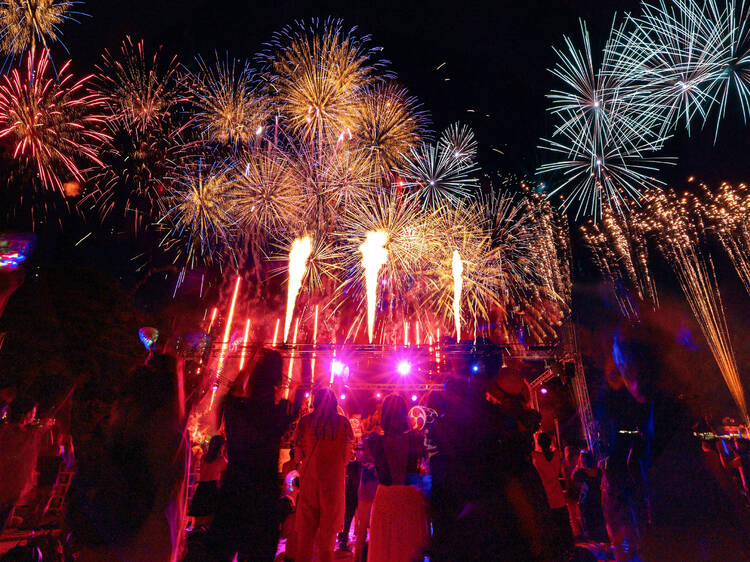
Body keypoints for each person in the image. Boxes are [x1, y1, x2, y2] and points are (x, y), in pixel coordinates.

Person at [66, 355, 189, 562]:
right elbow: (166, 499)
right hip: (140, 541)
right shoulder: (171, 438)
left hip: (104, 537)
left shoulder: (112, 431)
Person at [206, 349, 302, 561]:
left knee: (220, 553)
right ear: (277, 381)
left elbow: (234, 389)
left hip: (233, 492)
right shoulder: (279, 413)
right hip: (262, 500)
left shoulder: (236, 407)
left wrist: (250, 361)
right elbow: (298, 394)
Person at [366, 394, 429, 562]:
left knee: (385, 550)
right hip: (410, 497)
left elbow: (367, 463)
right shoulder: (417, 439)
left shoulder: (373, 441)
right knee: (408, 548)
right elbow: (426, 467)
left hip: (386, 497)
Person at [293, 388, 353, 562]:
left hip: (309, 483)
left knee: (305, 539)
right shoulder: (344, 423)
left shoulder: (304, 422)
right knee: (327, 544)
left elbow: (298, 456)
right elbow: (347, 457)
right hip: (333, 485)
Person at [531, 432, 573, 556]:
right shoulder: (557, 454)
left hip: (546, 497)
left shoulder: (536, 456)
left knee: (552, 528)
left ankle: (558, 552)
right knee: (563, 525)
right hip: (558, 496)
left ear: (538, 443)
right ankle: (568, 550)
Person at [188, 435, 227, 530]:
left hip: (201, 488)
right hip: (212, 489)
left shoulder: (204, 457)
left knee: (198, 521)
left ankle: (194, 540)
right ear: (221, 446)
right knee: (210, 521)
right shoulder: (222, 460)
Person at [574, 451, 607, 543]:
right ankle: (603, 542)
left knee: (591, 522)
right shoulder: (598, 471)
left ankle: (597, 544)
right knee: (599, 521)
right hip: (597, 499)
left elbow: (575, 482)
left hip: (588, 500)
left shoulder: (581, 472)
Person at [337, 451, 361, 551]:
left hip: (351, 494)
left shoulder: (352, 465)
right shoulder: (357, 465)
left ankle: (343, 538)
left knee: (347, 518)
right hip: (354, 494)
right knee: (349, 518)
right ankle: (345, 539)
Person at [562, 446, 583, 537]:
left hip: (573, 491)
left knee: (575, 514)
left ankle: (578, 532)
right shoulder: (569, 464)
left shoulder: (566, 464)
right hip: (573, 491)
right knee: (576, 514)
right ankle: (579, 532)